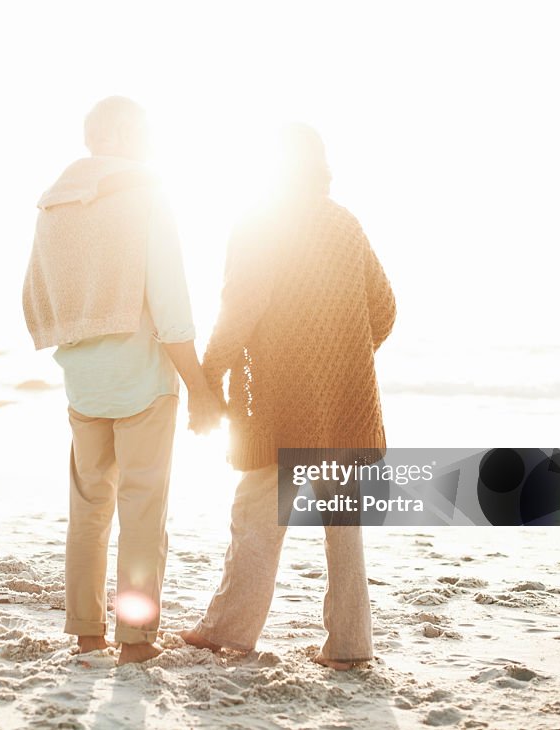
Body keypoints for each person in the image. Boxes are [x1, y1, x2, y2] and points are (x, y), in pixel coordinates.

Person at [180, 123, 396, 669]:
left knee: (257, 513)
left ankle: (228, 631)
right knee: (344, 526)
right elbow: (386, 309)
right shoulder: (345, 223)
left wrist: (207, 377)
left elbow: (241, 308)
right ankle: (350, 647)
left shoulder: (261, 221)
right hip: (348, 404)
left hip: (276, 402)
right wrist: (341, 353)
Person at [22, 96, 222, 666]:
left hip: (83, 379)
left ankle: (88, 633)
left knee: (88, 508)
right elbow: (170, 301)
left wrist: (70, 340)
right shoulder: (145, 192)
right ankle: (135, 642)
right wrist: (201, 389)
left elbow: (37, 290)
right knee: (141, 511)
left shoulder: (53, 205)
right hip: (142, 378)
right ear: (132, 136)